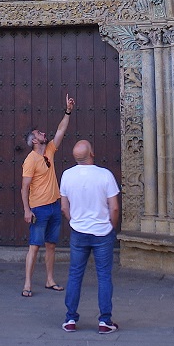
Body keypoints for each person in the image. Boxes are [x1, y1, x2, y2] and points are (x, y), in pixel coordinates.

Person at [59, 138, 120, 334]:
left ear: (75, 157)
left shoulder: (67, 175)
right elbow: (114, 207)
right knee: (104, 276)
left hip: (78, 232)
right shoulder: (105, 175)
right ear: (91, 153)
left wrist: (74, 222)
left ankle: (70, 319)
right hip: (102, 232)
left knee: (75, 274)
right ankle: (105, 321)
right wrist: (111, 226)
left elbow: (64, 207)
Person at [21, 94, 75, 297]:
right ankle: (27, 284)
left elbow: (61, 130)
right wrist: (27, 210)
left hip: (54, 206)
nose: (44, 133)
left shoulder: (49, 151)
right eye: (39, 133)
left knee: (51, 245)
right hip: (39, 209)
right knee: (34, 246)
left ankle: (50, 280)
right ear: (34, 140)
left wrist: (67, 111)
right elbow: (24, 187)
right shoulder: (30, 160)